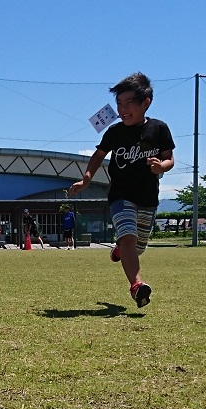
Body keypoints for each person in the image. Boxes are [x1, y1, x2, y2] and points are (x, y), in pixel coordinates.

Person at [69, 72, 174, 309]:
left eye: (129, 103)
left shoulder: (159, 129)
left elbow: (169, 159)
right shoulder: (115, 132)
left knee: (138, 247)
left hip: (148, 199)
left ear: (145, 103)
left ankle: (119, 250)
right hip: (120, 196)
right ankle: (137, 285)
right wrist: (86, 179)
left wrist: (161, 167)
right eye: (119, 103)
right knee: (128, 237)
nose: (123, 109)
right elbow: (98, 155)